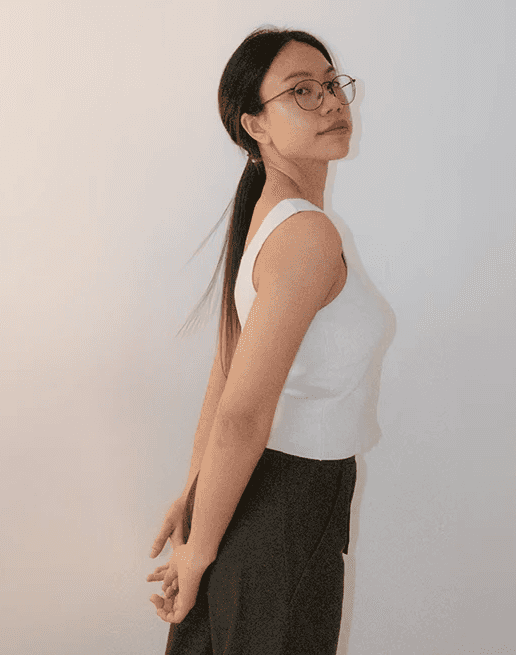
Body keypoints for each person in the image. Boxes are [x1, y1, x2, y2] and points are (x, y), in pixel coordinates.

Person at [145, 25, 394, 654]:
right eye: (302, 91)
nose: (331, 102)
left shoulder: (273, 218)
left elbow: (225, 371)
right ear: (255, 125)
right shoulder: (305, 235)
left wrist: (196, 497)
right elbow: (242, 412)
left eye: (332, 84)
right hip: (286, 504)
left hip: (257, 499)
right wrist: (198, 547)